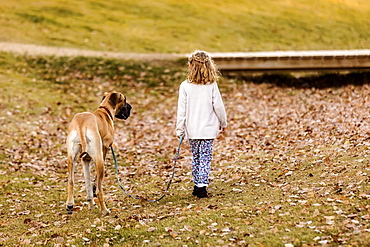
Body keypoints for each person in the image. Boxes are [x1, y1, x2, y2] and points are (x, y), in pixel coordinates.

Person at [176, 50, 227, 198]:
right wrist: (223, 122)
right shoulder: (211, 85)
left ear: (191, 66)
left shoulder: (185, 86)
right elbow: (218, 106)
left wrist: (180, 129)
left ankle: (198, 183)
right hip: (208, 129)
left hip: (192, 129)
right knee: (205, 157)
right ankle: (201, 186)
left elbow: (182, 111)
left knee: (197, 157)